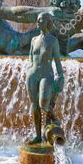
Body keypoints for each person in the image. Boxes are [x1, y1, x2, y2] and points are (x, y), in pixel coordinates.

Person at [26, 13, 64, 145]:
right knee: (34, 105)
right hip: (32, 74)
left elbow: (57, 61)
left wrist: (60, 75)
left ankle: (52, 115)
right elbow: (31, 56)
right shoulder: (34, 39)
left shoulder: (53, 40)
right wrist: (29, 68)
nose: (38, 21)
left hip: (46, 74)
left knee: (43, 102)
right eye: (37, 19)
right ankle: (37, 135)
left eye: (41, 20)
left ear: (47, 22)